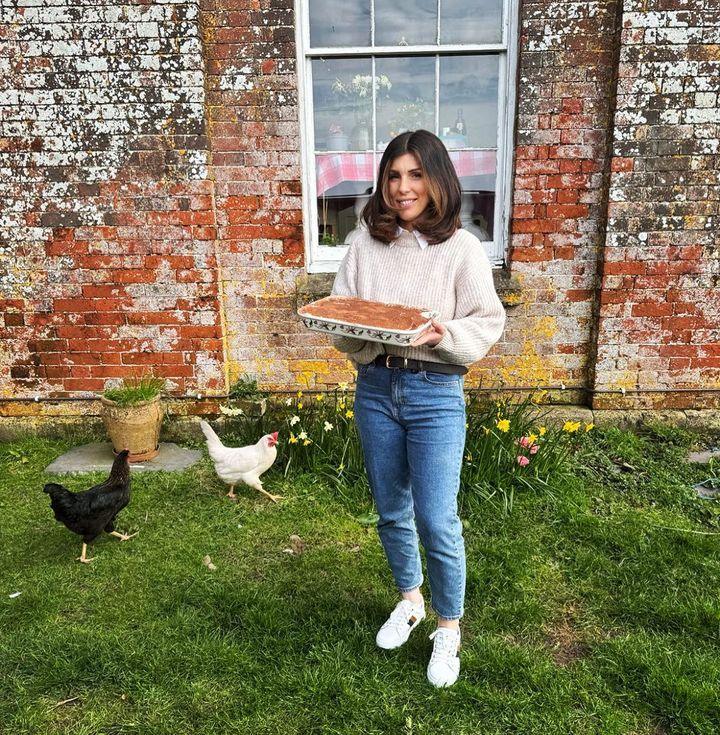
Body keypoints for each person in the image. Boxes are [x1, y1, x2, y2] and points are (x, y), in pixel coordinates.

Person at [330, 130, 506, 687]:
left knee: (437, 517)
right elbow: (343, 317)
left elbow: (486, 321)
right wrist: (354, 333)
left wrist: (442, 334)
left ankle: (448, 628)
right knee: (390, 508)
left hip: (436, 392)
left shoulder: (462, 248)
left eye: (415, 175)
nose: (403, 188)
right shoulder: (363, 243)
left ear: (437, 180)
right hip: (375, 388)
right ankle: (409, 600)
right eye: (393, 176)